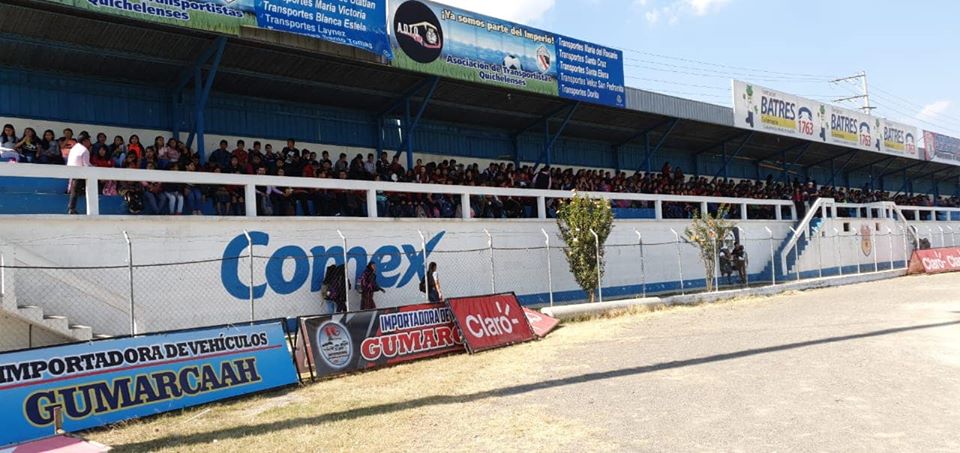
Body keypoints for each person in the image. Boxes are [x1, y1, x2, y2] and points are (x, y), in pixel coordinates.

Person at [66, 133, 93, 215]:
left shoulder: (74, 148)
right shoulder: (84, 150)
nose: (90, 142)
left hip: (71, 172)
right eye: (89, 140)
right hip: (79, 174)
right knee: (77, 190)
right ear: (85, 141)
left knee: (75, 189)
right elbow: (86, 165)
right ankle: (72, 208)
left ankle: (72, 208)